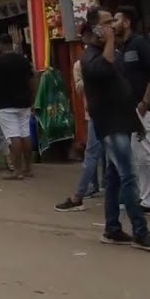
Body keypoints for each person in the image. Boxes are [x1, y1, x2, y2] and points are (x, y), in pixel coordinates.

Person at [79, 9, 150, 251]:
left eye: (112, 23)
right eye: (106, 23)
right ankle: (140, 231)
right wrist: (109, 40)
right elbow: (103, 68)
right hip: (110, 125)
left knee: (115, 178)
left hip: (123, 121)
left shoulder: (113, 53)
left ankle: (112, 229)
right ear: (96, 28)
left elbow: (122, 90)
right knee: (128, 177)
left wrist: (136, 124)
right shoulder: (91, 57)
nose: (112, 27)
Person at [115, 7, 150, 214]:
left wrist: (145, 101)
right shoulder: (123, 48)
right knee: (139, 156)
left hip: (147, 108)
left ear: (126, 23)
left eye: (115, 20)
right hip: (133, 109)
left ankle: (147, 200)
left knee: (145, 155)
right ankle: (147, 201)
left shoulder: (139, 43)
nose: (112, 24)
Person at [56, 26, 105, 211]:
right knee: (93, 153)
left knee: (116, 157)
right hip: (94, 111)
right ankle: (84, 192)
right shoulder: (81, 63)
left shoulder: (112, 55)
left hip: (113, 113)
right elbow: (79, 87)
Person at [0, 34, 35, 180]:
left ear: (0, 44)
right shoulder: (23, 59)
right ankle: (28, 168)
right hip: (24, 102)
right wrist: (32, 99)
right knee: (25, 134)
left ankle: (17, 170)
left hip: (6, 103)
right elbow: (33, 78)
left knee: (14, 137)